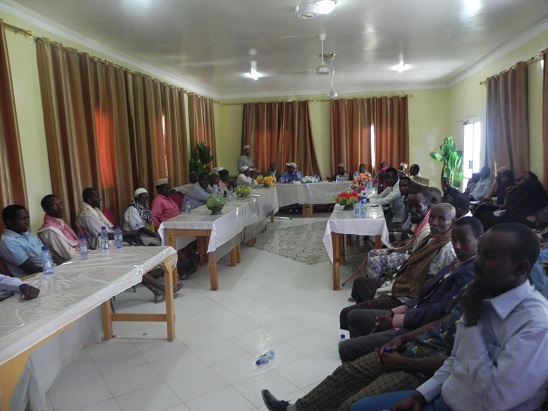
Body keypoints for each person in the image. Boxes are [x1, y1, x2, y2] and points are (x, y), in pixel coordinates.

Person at [350, 223, 548, 411]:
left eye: (489, 256)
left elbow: (496, 400)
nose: (477, 261)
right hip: (446, 397)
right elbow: (456, 361)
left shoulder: (534, 324)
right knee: (360, 407)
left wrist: (471, 326)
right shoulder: (483, 294)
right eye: (480, 252)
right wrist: (421, 396)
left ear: (520, 268)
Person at [261, 291, 467, 411]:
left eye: (483, 255)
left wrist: (402, 362)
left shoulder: (485, 320)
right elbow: (441, 320)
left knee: (353, 405)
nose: (479, 262)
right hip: (411, 346)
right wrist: (401, 339)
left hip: (422, 370)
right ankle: (294, 409)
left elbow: (457, 362)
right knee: (348, 372)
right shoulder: (471, 289)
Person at [339, 217, 481, 363]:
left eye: (463, 241)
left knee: (347, 347)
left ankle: (364, 359)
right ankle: (365, 356)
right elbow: (424, 294)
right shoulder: (456, 260)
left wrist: (396, 320)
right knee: (354, 316)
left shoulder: (468, 271)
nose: (457, 246)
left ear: (479, 241)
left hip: (415, 326)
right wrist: (394, 311)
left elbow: (438, 311)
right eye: (454, 240)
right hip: (412, 308)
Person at [342, 203, 456, 329]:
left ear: (452, 222)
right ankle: (366, 326)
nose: (434, 223)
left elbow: (435, 287)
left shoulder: (448, 249)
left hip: (408, 296)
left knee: (348, 314)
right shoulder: (432, 238)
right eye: (432, 217)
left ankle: (363, 322)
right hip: (403, 284)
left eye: (441, 219)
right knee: (359, 282)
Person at [0, 205, 45, 278]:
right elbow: (32, 269)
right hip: (35, 278)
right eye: (22, 219)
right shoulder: (8, 242)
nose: (27, 222)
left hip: (48, 270)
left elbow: (47, 254)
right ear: (10, 222)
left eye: (27, 218)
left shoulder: (29, 234)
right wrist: (54, 270)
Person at [37, 194, 80, 263]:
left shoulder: (60, 223)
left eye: (60, 204)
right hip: (68, 264)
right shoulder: (50, 230)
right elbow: (70, 255)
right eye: (55, 205)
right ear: (46, 209)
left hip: (78, 258)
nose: (60, 208)